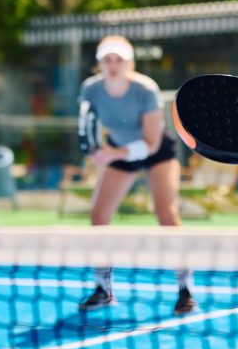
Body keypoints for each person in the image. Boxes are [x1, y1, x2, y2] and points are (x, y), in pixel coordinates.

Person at [77, 35, 196, 315]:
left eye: (119, 60)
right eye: (107, 60)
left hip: (157, 151)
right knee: (98, 217)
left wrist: (113, 154)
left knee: (166, 215)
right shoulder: (90, 89)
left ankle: (185, 289)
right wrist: (96, 152)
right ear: (99, 64)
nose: (113, 65)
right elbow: (87, 130)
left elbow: (151, 143)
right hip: (119, 150)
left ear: (130, 63)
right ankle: (103, 289)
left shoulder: (145, 89)